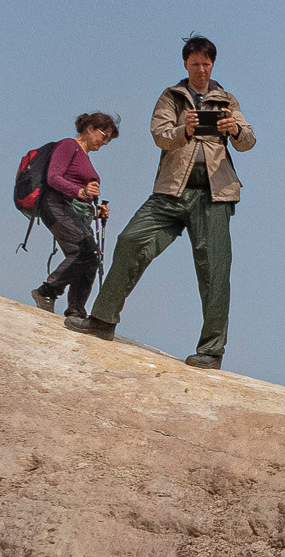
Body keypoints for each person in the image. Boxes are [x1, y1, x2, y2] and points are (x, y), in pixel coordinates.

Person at [67, 36, 256, 369]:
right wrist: (185, 128)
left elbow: (249, 140)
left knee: (215, 270)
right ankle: (103, 320)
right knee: (130, 241)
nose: (202, 69)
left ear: (213, 65)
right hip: (171, 190)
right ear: (186, 64)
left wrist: (235, 129)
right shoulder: (171, 97)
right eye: (196, 63)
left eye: (207, 64)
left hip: (214, 195)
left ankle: (211, 351)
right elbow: (159, 134)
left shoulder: (226, 99)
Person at [30, 113, 117, 321]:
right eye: (104, 136)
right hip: (54, 203)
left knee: (91, 256)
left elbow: (80, 196)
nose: (104, 142)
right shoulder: (68, 145)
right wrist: (82, 192)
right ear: (89, 129)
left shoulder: (84, 156)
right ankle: (47, 291)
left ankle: (76, 310)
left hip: (69, 208)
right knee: (84, 251)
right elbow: (53, 177)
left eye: (108, 140)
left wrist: (96, 211)